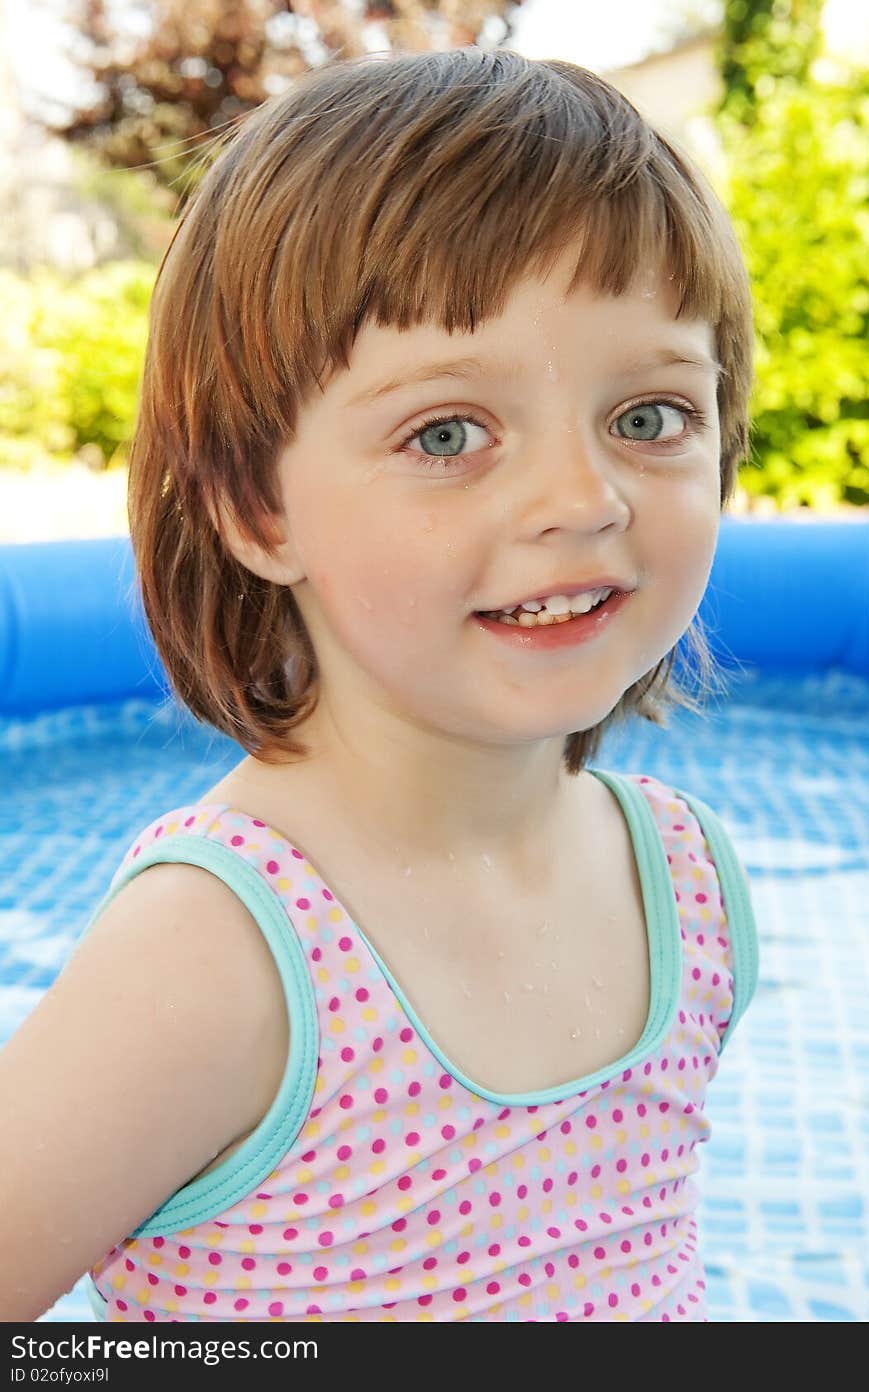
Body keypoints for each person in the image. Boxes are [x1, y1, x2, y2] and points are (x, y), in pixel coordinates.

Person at [0, 47, 759, 1323]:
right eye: (447, 434)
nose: (583, 500)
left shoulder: (686, 884)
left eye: (648, 416)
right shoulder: (218, 956)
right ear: (253, 507)